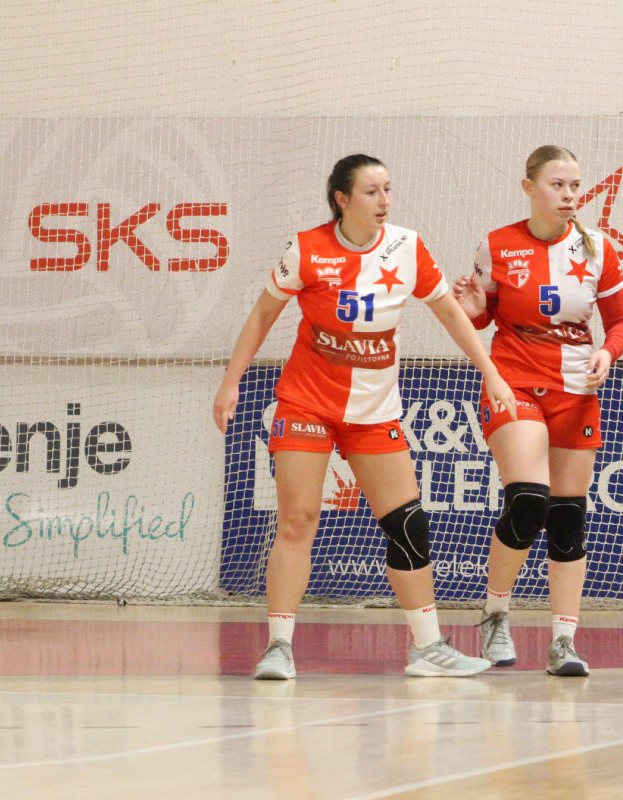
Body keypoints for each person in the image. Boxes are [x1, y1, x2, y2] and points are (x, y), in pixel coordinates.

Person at [214, 154, 517, 680]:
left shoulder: (407, 247)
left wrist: (490, 372)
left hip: (375, 412)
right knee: (298, 519)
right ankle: (279, 648)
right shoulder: (307, 250)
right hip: (307, 403)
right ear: (342, 199)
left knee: (408, 523)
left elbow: (450, 312)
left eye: (388, 190)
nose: (384, 201)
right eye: (372, 192)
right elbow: (262, 314)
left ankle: (427, 648)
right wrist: (230, 381)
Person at [452, 145, 623, 676]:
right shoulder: (498, 244)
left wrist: (607, 352)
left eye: (575, 185)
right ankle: (495, 615)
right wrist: (474, 310)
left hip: (575, 390)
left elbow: (622, 323)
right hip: (515, 383)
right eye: (558, 185)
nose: (570, 195)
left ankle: (563, 643)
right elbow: (481, 318)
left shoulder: (597, 249)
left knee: (567, 517)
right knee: (529, 499)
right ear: (529, 188)